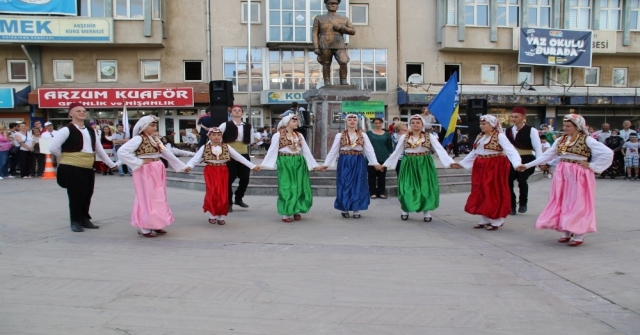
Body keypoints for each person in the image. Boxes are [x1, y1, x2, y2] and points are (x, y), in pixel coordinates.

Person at [516, 114, 613, 247]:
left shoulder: (587, 140)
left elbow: (607, 153)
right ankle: (566, 229)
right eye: (565, 126)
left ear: (577, 127)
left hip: (579, 173)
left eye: (568, 126)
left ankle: (579, 232)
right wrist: (527, 165)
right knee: (562, 200)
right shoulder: (561, 140)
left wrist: (592, 166)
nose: (565, 128)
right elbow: (547, 155)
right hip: (562, 172)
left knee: (578, 201)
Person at [116, 116, 190, 238]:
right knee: (146, 196)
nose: (155, 128)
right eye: (152, 125)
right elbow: (122, 152)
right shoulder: (138, 139)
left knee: (159, 196)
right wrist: (138, 162)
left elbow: (166, 153)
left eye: (155, 125)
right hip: (145, 170)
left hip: (157, 168)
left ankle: (157, 223)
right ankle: (145, 226)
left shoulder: (155, 139)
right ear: (144, 127)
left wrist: (181, 166)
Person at [49, 102, 117, 232]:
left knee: (87, 193)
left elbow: (99, 149)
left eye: (84, 111)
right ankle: (75, 221)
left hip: (87, 166)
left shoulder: (91, 130)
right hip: (71, 166)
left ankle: (85, 218)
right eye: (78, 111)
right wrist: (66, 157)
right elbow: (53, 147)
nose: (82, 112)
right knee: (75, 195)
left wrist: (111, 164)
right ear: (71, 114)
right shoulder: (66, 130)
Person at [383, 114, 459, 222]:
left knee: (425, 187)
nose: (415, 124)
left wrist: (450, 162)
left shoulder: (429, 136)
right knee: (406, 186)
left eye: (418, 122)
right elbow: (397, 152)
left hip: (424, 162)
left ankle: (426, 211)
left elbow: (440, 150)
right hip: (408, 162)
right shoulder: (405, 137)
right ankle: (405, 209)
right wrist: (386, 165)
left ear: (422, 124)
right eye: (413, 123)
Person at [459, 115, 521, 230]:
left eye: (484, 124)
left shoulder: (500, 136)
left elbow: (511, 151)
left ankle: (498, 219)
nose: (481, 126)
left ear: (492, 125)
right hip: (481, 165)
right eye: (481, 124)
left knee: (493, 190)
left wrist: (517, 164)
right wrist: (462, 163)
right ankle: (485, 217)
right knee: (481, 190)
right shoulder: (480, 136)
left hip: (495, 165)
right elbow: (474, 152)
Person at [186, 127, 260, 226]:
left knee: (222, 192)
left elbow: (239, 157)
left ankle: (220, 215)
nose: (216, 137)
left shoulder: (226, 147)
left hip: (223, 170)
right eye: (214, 135)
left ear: (221, 136)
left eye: (218, 135)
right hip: (210, 170)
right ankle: (213, 214)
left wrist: (252, 166)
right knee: (212, 192)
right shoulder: (205, 147)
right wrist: (188, 166)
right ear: (209, 136)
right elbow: (195, 159)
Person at [320, 114, 383, 219]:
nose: (352, 121)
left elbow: (369, 150)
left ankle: (356, 208)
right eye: (350, 119)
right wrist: (326, 164)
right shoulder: (339, 135)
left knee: (358, 183)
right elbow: (333, 151)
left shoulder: (363, 135)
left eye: (354, 119)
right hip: (345, 159)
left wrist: (375, 163)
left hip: (358, 160)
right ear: (346, 122)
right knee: (345, 183)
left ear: (357, 122)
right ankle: (345, 207)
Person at [261, 115, 320, 222]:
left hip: (298, 161)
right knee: (286, 186)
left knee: (299, 186)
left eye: (296, 120)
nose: (296, 122)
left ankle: (296, 209)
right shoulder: (278, 135)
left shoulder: (299, 135)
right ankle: (286, 212)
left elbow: (306, 150)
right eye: (294, 120)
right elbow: (272, 150)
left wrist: (314, 165)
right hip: (285, 161)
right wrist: (264, 164)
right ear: (287, 122)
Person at [505, 107, 542, 215]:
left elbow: (537, 147)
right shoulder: (507, 130)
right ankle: (511, 205)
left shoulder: (532, 130)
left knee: (522, 180)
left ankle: (523, 203)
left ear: (523, 117)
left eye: (516, 117)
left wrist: (540, 162)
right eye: (512, 116)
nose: (513, 119)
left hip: (526, 158)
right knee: (508, 181)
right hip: (511, 159)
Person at [220, 105, 255, 212]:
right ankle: (228, 202)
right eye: (234, 110)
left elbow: (251, 140)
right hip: (229, 155)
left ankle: (238, 198)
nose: (237, 112)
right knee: (228, 180)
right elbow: (217, 137)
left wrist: (241, 146)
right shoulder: (225, 124)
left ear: (242, 113)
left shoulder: (248, 126)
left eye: (239, 110)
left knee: (245, 178)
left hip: (244, 153)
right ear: (231, 113)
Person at [312, 0, 356, 86]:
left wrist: (342, 28)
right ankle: (327, 81)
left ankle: (343, 80)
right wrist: (316, 47)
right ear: (326, 5)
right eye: (330, 3)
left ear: (338, 6)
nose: (333, 5)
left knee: (343, 61)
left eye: (335, 3)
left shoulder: (344, 18)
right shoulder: (319, 18)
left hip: (339, 44)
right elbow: (314, 34)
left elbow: (353, 31)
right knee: (326, 63)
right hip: (325, 44)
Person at [366, 118, 394, 199]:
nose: (378, 125)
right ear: (373, 124)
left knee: (382, 176)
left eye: (379, 123)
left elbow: (389, 147)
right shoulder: (368, 133)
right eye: (376, 123)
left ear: (382, 123)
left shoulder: (387, 134)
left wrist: (390, 158)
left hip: (383, 157)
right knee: (372, 177)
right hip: (371, 158)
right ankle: (373, 193)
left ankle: (381, 192)